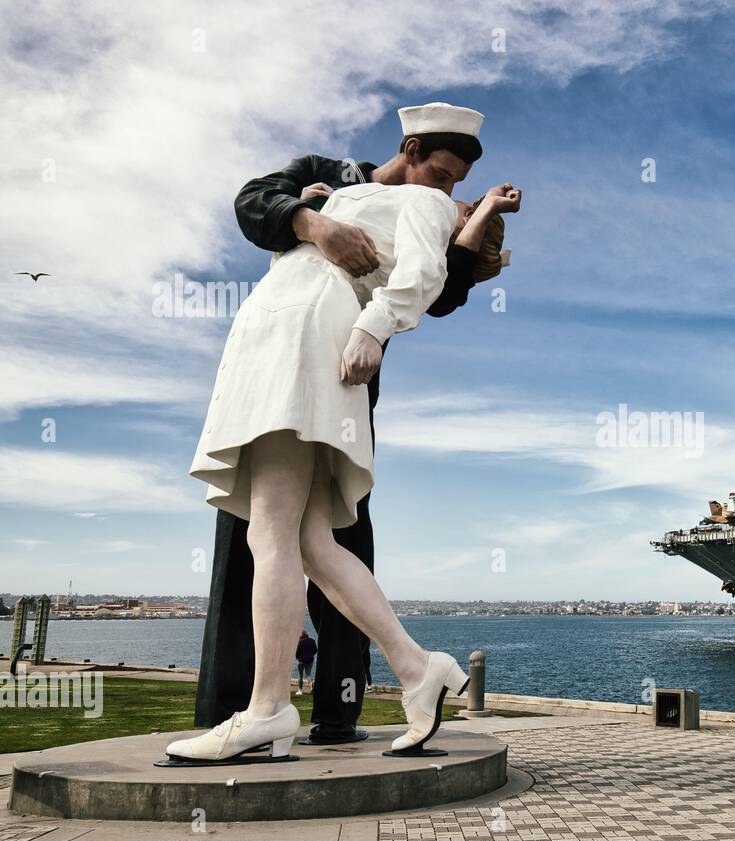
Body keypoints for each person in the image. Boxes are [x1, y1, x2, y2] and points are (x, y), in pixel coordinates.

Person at [169, 102, 519, 762]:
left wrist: (372, 325)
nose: (445, 188)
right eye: (440, 172)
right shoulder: (337, 182)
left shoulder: (420, 201)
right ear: (411, 148)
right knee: (306, 539)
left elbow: (431, 279)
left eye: (453, 183)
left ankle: (268, 708)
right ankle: (417, 670)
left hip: (307, 345)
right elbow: (255, 202)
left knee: (271, 528)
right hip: (295, 341)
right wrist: (313, 218)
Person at [295, 628, 317, 696]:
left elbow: (296, 652)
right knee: (308, 674)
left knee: (300, 676)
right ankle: (311, 684)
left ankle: (300, 690)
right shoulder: (312, 640)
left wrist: (298, 657)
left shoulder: (299, 642)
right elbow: (315, 650)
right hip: (310, 660)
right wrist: (310, 655)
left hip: (301, 660)